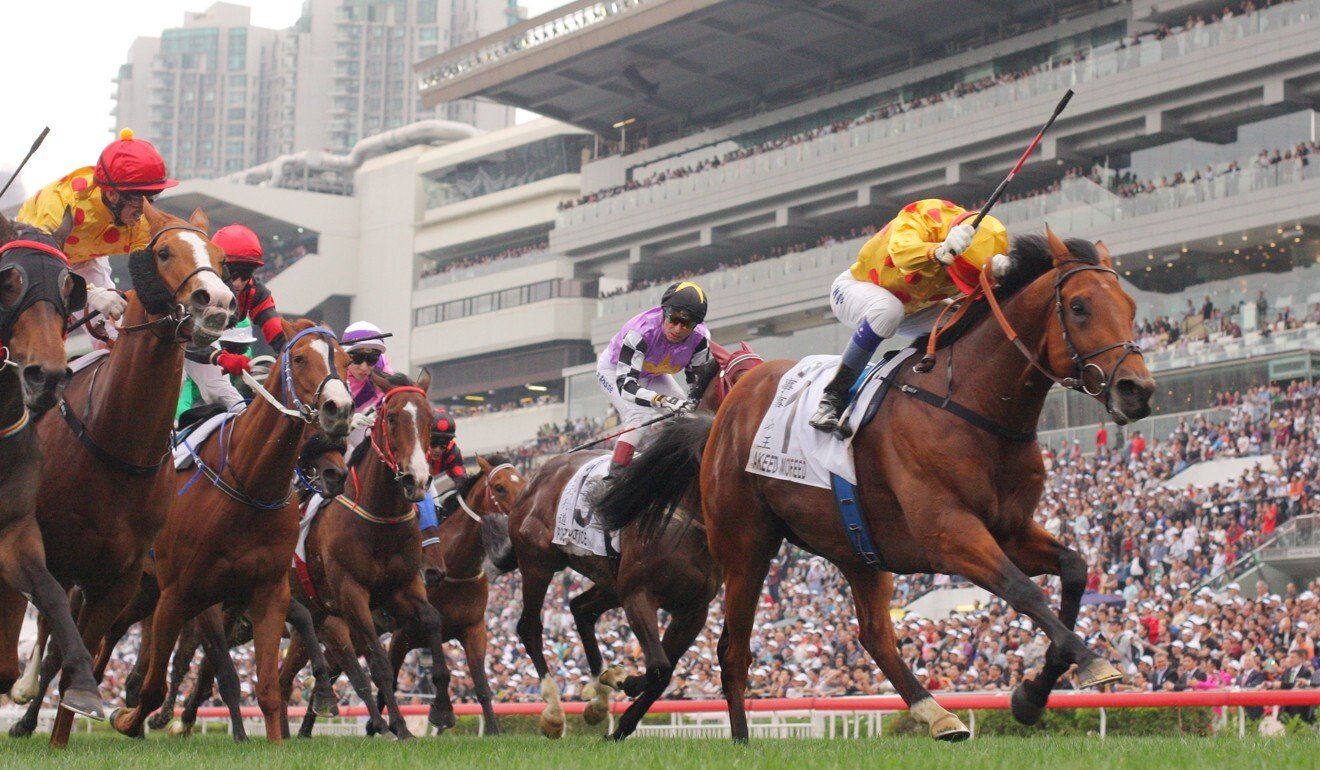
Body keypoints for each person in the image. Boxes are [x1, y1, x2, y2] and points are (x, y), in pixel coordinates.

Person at [810, 199, 1010, 436]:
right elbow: (901, 253)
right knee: (888, 310)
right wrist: (937, 250)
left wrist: (1006, 278)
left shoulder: (987, 245)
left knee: (965, 324)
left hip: (914, 309)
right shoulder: (924, 215)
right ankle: (833, 396)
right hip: (856, 290)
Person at [17, 128, 178, 341]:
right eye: (139, 198)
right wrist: (91, 294)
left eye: (152, 196)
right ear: (112, 194)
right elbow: (42, 266)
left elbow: (145, 273)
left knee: (115, 335)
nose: (145, 208)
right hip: (33, 257)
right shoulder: (63, 201)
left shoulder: (141, 222)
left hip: (86, 259)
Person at [597, 281, 712, 475]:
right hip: (616, 371)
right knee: (639, 416)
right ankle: (613, 478)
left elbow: (698, 387)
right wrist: (663, 400)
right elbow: (627, 386)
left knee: (690, 417)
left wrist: (689, 404)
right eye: (674, 319)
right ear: (664, 312)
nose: (677, 329)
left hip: (655, 372)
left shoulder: (701, 340)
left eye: (687, 324)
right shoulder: (640, 332)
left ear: (697, 324)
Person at [210, 223, 287, 351]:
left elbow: (277, 333)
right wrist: (218, 357)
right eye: (231, 273)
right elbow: (186, 340)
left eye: (245, 274)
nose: (237, 283)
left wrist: (290, 352)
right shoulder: (198, 289)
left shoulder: (257, 292)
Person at [176, 320, 255, 427]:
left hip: (228, 400)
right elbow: (216, 388)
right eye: (231, 347)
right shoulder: (196, 352)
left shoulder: (245, 356)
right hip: (193, 404)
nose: (236, 353)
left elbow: (245, 389)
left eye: (242, 347)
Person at [428, 407, 472, 517]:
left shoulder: (453, 452)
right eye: (433, 443)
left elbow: (462, 481)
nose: (437, 450)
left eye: (443, 445)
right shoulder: (415, 448)